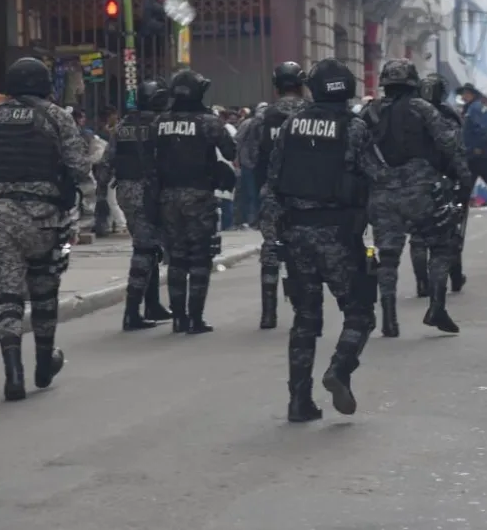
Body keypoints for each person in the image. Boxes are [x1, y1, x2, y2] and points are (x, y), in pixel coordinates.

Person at [0, 58, 93, 401]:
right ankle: (44, 363)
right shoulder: (57, 117)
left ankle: (14, 375)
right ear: (44, 84)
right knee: (44, 292)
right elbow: (80, 168)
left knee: (8, 298)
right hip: (45, 218)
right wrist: (83, 217)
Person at [263, 58, 378, 422]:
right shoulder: (354, 128)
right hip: (339, 234)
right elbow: (376, 176)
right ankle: (340, 369)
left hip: (296, 233)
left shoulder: (292, 124)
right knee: (359, 312)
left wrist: (275, 232)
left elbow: (273, 180)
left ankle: (299, 401)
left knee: (305, 319)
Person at [363, 59, 472, 338]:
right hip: (421, 190)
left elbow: (354, 152)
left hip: (383, 193)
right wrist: (463, 178)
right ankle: (436, 307)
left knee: (387, 256)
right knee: (440, 246)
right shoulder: (422, 109)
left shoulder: (369, 111)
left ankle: (388, 318)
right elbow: (449, 144)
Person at [151, 69, 237, 333]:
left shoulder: (159, 122)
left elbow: (148, 157)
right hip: (199, 196)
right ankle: (195, 318)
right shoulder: (208, 122)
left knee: (176, 258)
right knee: (200, 258)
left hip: (167, 197)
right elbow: (230, 151)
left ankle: (179, 318)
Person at [105, 79, 173, 331]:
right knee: (145, 250)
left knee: (150, 247)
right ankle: (132, 312)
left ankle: (152, 304)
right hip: (149, 191)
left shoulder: (122, 126)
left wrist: (102, 193)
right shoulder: (159, 124)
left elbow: (107, 161)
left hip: (125, 191)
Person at [250, 62, 308, 330]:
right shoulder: (313, 113)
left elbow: (250, 158)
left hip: (273, 193)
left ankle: (268, 313)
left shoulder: (264, 117)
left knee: (271, 249)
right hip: (307, 192)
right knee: (303, 251)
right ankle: (303, 307)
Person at [410, 73, 467, 297]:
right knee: (449, 231)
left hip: (413, 180)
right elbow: (456, 150)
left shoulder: (410, 113)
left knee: (417, 235)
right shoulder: (446, 115)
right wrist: (463, 178)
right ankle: (452, 277)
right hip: (443, 180)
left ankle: (422, 282)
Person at [457, 83, 487, 210]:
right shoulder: (471, 108)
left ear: (473, 95)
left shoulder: (475, 108)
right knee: (483, 176)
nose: (464, 96)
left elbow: (482, 128)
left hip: (479, 149)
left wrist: (478, 146)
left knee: (475, 176)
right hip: (475, 148)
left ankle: (462, 202)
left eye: (467, 94)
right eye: (463, 94)